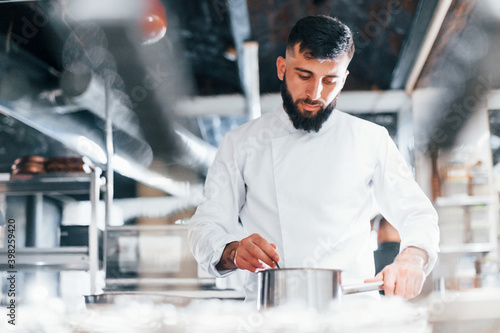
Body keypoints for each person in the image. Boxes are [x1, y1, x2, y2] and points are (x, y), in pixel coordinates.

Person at [188, 15, 440, 301]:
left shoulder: (371, 139)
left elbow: (417, 214)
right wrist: (232, 251)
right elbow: (205, 225)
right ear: (283, 68)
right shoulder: (241, 143)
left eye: (330, 80)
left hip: (351, 311)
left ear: (343, 79)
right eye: (304, 75)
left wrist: (412, 259)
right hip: (272, 312)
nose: (315, 93)